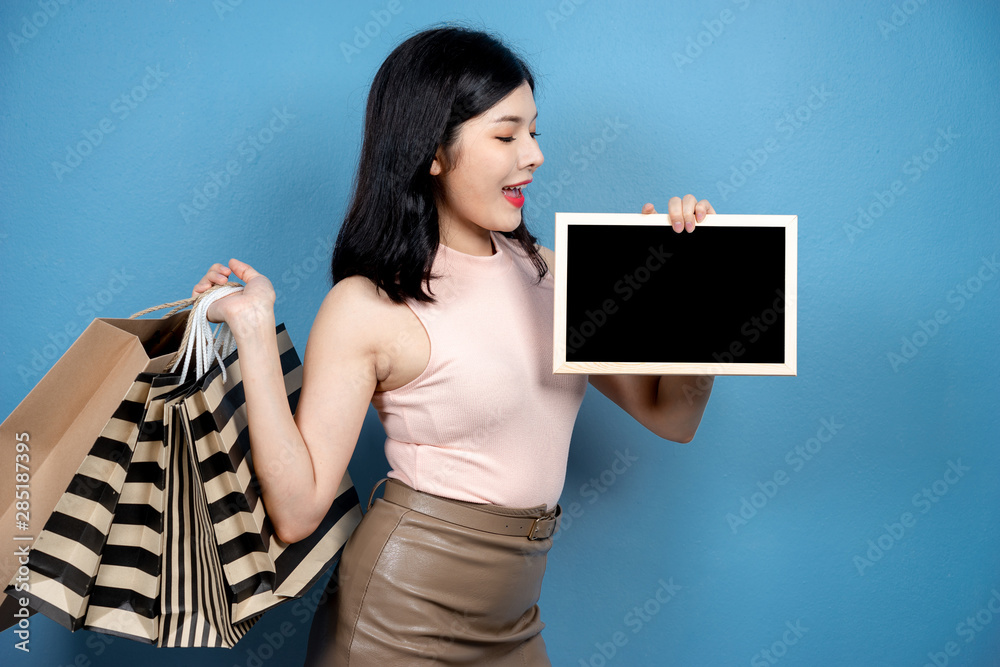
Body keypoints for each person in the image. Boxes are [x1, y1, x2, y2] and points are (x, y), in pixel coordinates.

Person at [191, 25, 716, 666]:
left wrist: (693, 288)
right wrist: (251, 329)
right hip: (398, 618)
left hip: (515, 618)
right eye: (505, 134)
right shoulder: (367, 305)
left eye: (534, 131)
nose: (534, 155)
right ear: (433, 152)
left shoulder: (555, 275)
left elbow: (673, 417)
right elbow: (298, 512)